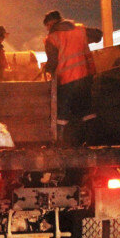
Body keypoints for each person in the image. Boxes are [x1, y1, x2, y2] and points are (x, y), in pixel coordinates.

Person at [42, 10, 103, 146]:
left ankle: (58, 142)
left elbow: (53, 62)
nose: (47, 29)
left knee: (62, 110)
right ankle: (92, 140)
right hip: (85, 76)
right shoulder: (79, 30)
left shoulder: (52, 38)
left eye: (47, 26)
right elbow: (98, 35)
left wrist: (47, 70)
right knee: (86, 108)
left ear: (50, 23)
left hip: (67, 78)